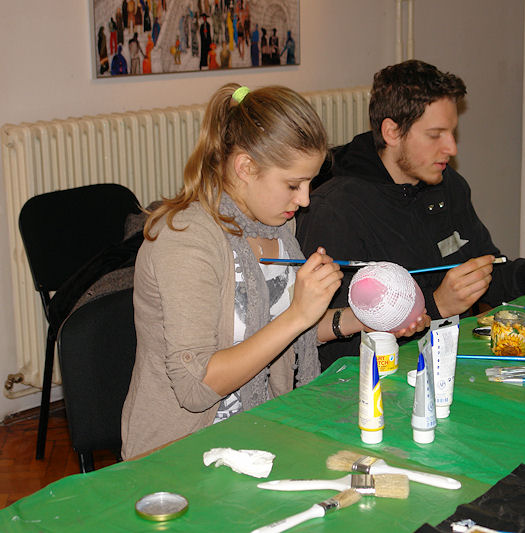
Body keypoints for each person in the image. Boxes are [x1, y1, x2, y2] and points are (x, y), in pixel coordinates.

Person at [120, 84, 422, 459]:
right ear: (245, 168)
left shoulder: (277, 228)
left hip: (262, 428)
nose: (305, 199)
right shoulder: (187, 241)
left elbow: (284, 332)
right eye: (293, 185)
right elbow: (196, 387)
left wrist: (369, 318)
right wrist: (298, 315)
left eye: (309, 183)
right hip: (180, 450)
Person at [296, 60, 525, 370]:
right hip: (375, 382)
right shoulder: (334, 209)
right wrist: (437, 304)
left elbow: (487, 269)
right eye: (435, 135)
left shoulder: (448, 186)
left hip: (447, 361)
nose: (451, 148)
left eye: (452, 133)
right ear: (392, 132)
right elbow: (332, 345)